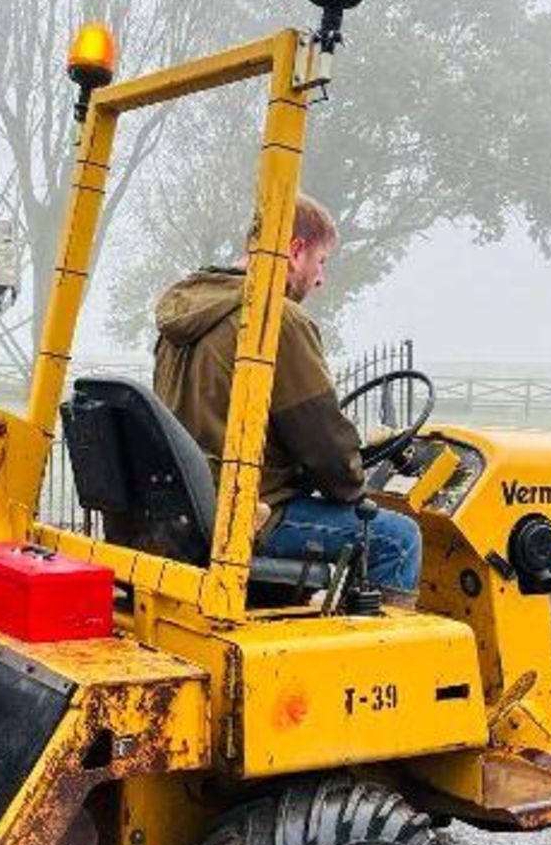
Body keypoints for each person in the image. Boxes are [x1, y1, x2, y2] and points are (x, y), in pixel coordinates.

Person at [152, 194, 422, 598]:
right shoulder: (276, 318)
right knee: (399, 539)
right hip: (248, 515)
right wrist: (352, 480)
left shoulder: (181, 320)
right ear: (295, 250)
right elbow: (325, 446)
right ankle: (386, 659)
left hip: (180, 513)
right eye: (321, 260)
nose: (320, 278)